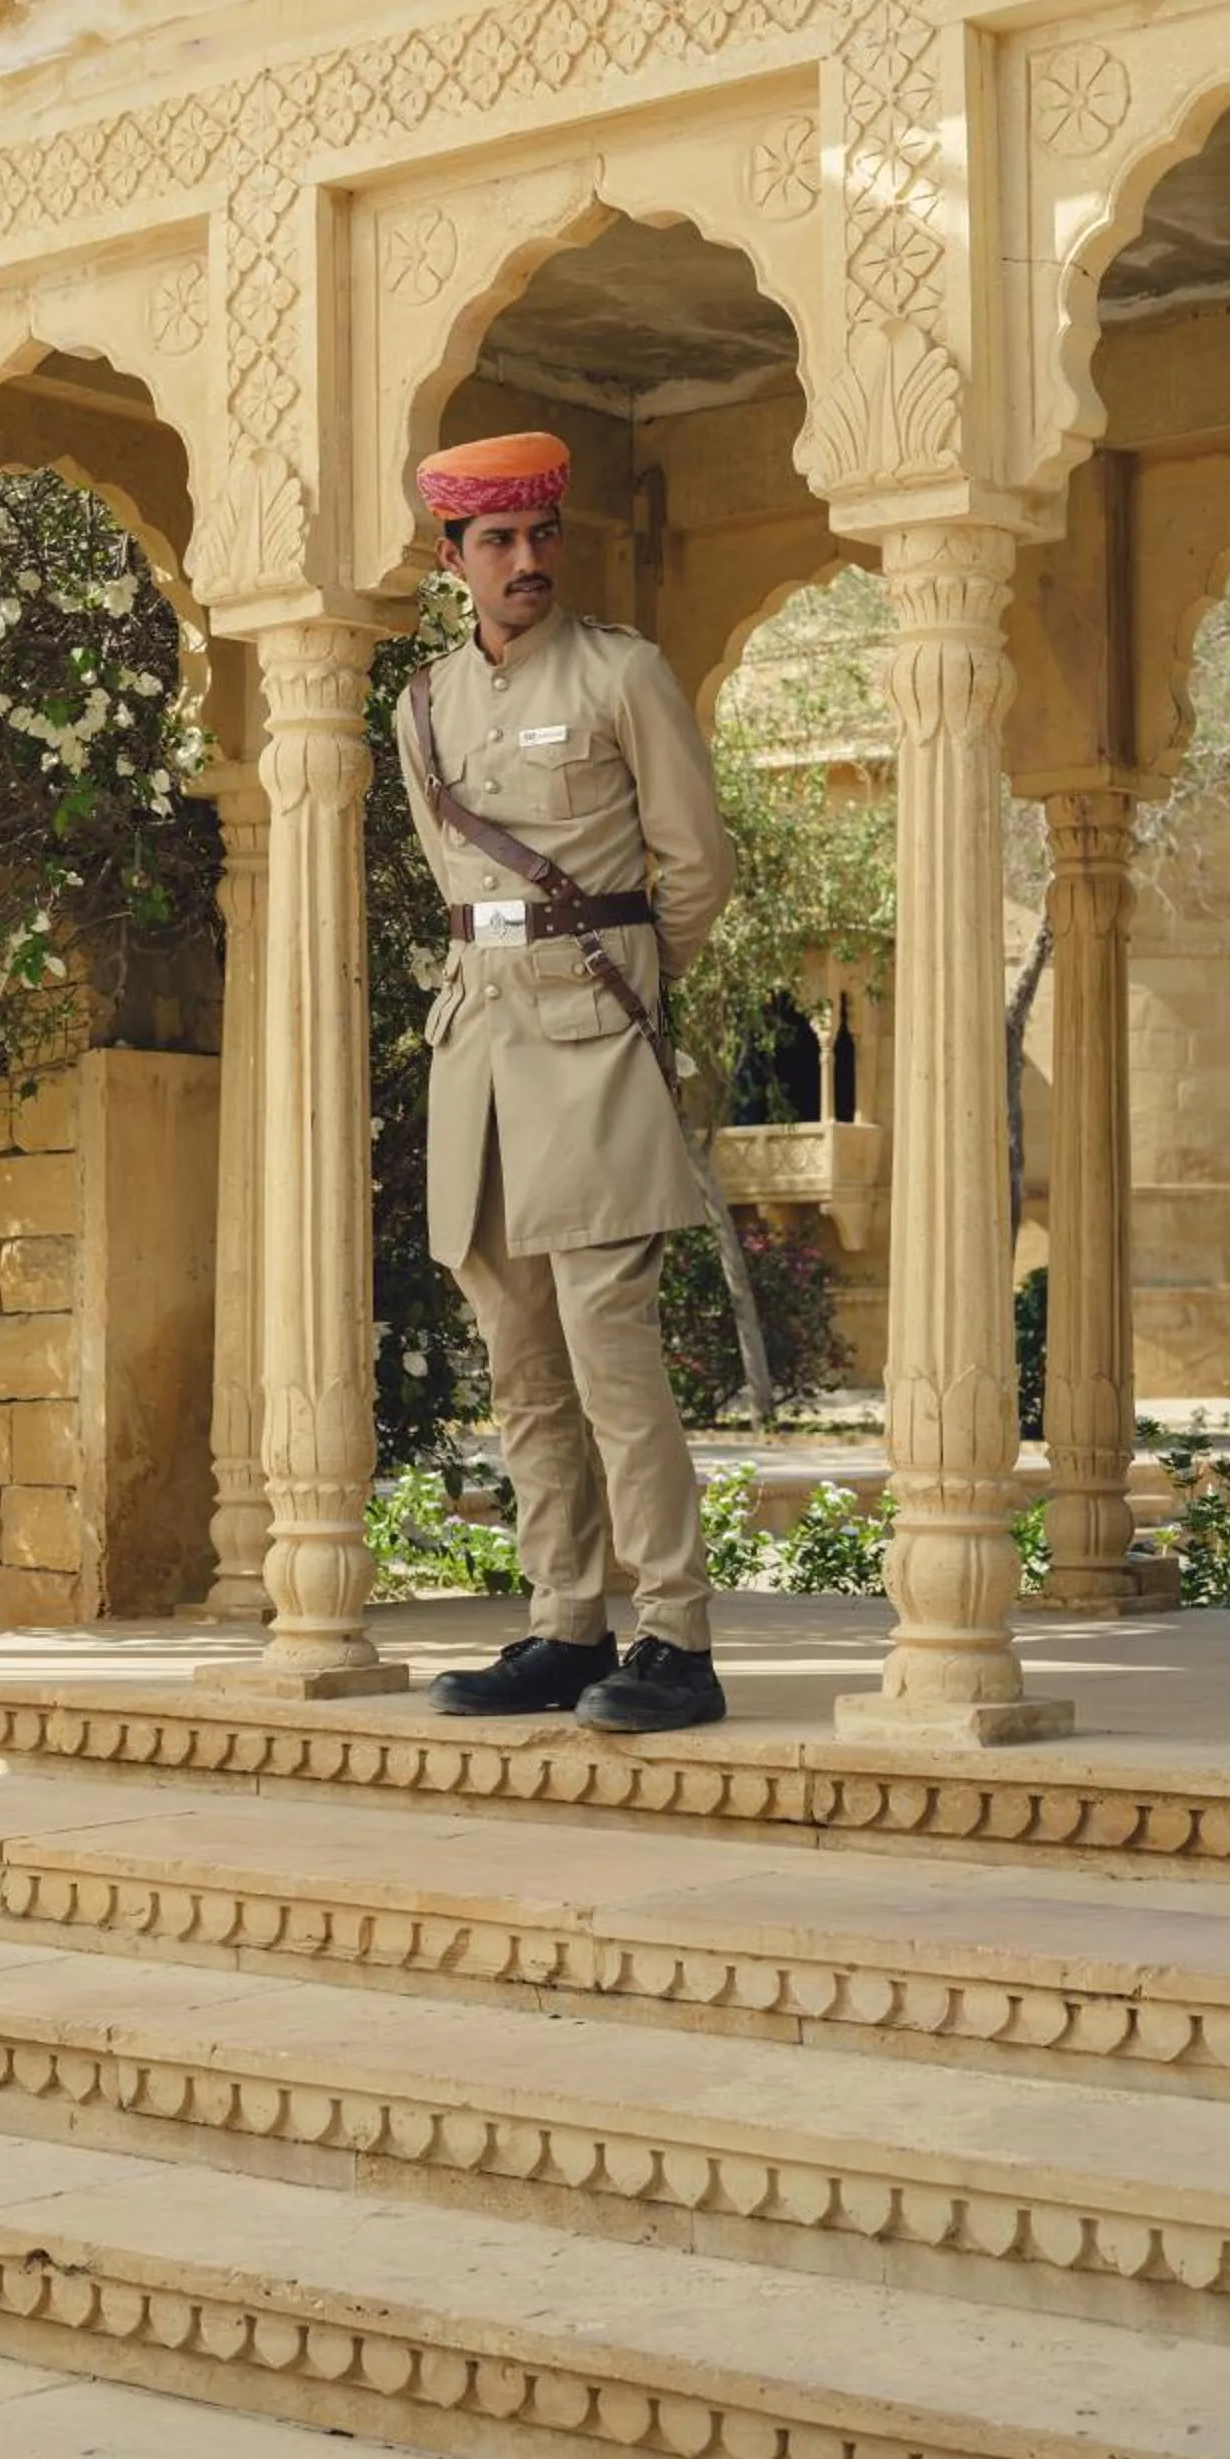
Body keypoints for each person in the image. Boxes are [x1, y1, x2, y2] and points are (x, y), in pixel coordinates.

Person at [396, 430, 736, 1734]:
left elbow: (691, 868)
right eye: (497, 542)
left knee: (611, 1355)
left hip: (588, 1045)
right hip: (474, 1054)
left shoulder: (620, 674)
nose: (526, 560)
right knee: (521, 1364)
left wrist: (620, 992)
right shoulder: (421, 705)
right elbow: (451, 879)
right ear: (454, 559)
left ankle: (673, 1634)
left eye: (542, 535)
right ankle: (564, 1619)